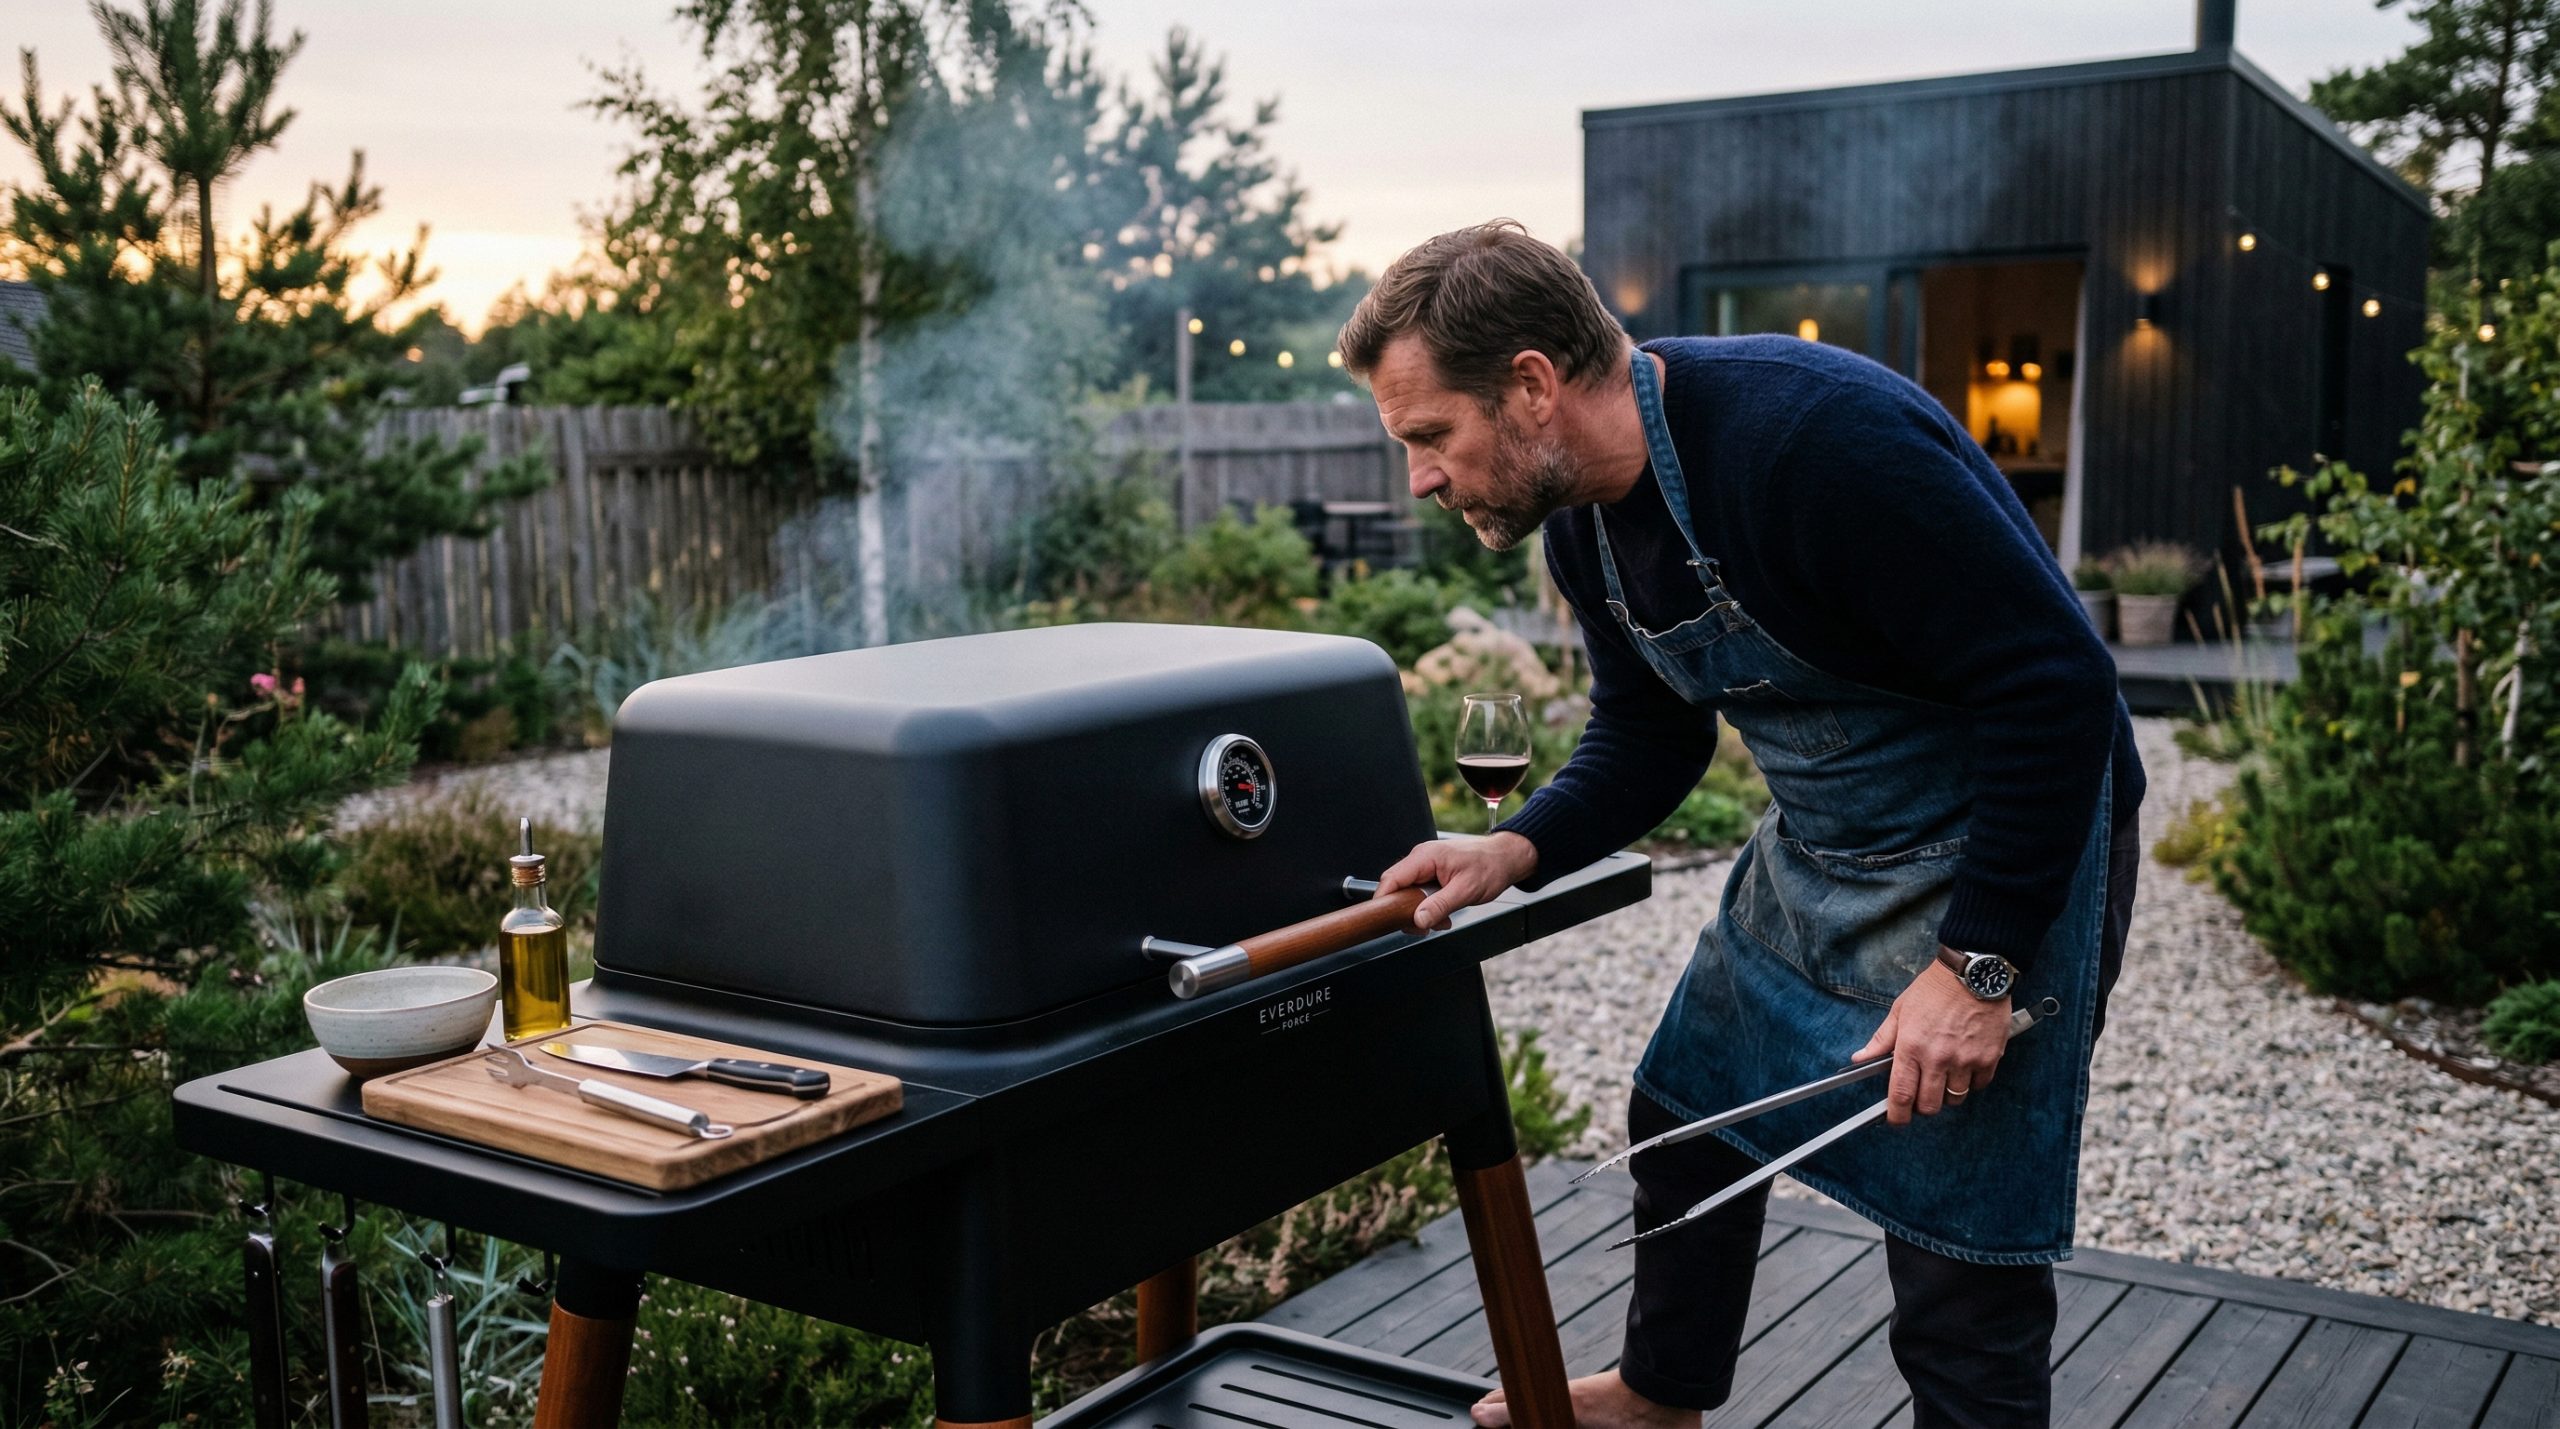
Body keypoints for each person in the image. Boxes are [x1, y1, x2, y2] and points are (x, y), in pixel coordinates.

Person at [1350, 222, 2145, 1428]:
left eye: (1428, 436)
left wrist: (1977, 966)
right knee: (1681, 1105)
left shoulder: (1810, 441)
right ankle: (1661, 1396)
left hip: (2004, 832)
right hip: (1825, 841)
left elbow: (2058, 684)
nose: (1418, 477)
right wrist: (1515, 847)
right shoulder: (1586, 525)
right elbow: (1648, 735)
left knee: (1954, 1247)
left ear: (1528, 384)